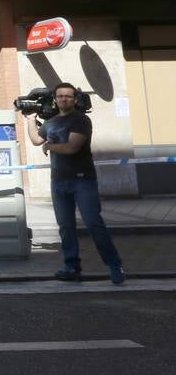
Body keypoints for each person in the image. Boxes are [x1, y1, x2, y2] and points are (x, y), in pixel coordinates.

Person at [24, 82, 125, 284]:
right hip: (58, 182)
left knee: (94, 224)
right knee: (65, 227)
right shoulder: (51, 122)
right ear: (55, 99)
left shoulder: (81, 120)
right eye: (60, 96)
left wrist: (50, 146)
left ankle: (115, 265)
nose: (64, 99)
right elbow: (36, 140)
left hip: (82, 181)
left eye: (68, 96)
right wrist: (29, 120)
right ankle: (71, 267)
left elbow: (72, 147)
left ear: (74, 99)